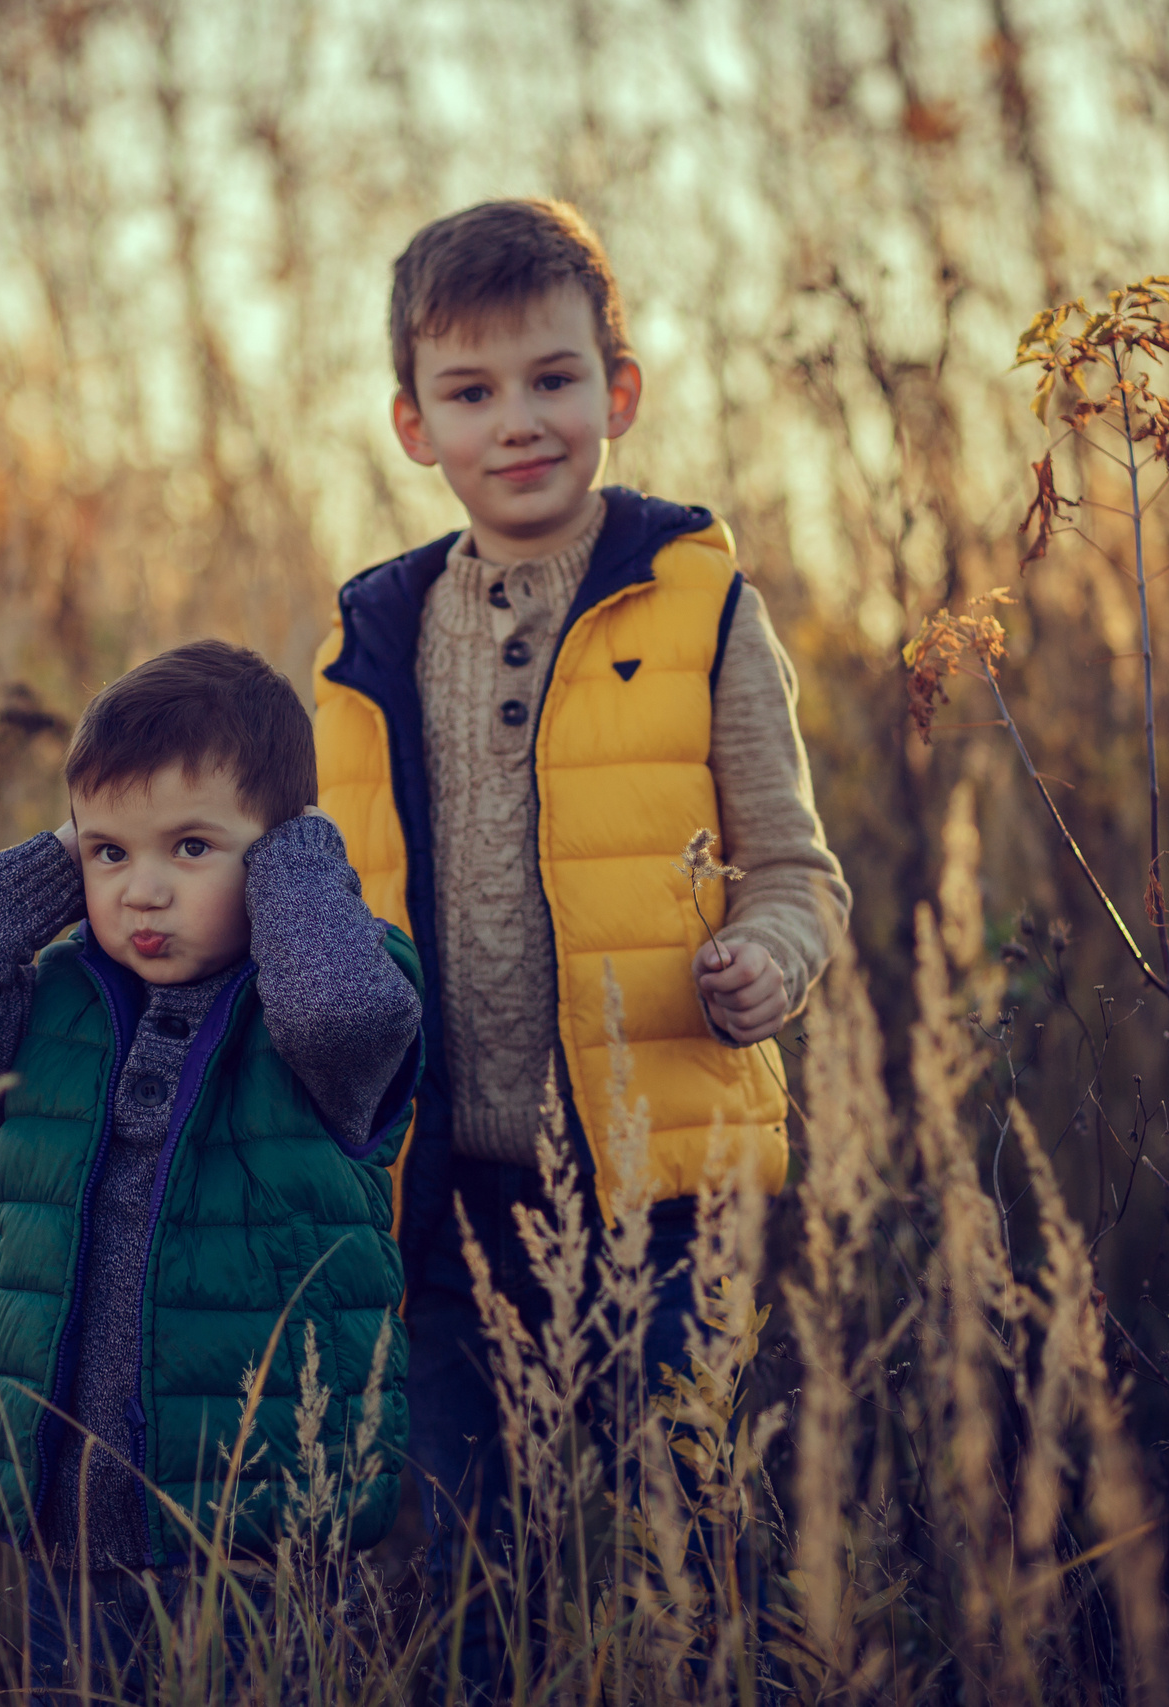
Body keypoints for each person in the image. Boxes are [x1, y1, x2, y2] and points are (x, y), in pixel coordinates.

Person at [310, 198, 850, 1697]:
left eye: (552, 380)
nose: (518, 422)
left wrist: (767, 954)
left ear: (619, 390)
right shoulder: (373, 639)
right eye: (472, 394)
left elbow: (797, 868)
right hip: (442, 1201)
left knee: (692, 1555)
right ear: (415, 426)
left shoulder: (701, 609)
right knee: (459, 1571)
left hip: (664, 1194)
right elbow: (339, 914)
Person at [0, 639, 424, 1699]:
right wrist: (51, 869)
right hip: (71, 1516)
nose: (143, 892)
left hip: (263, 1529)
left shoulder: (325, 1006)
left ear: (280, 853)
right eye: (110, 855)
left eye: (192, 848)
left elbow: (340, 1010)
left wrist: (298, 856)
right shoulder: (58, 1001)